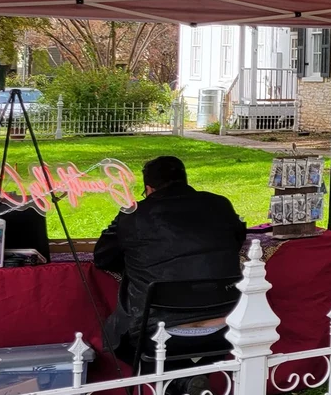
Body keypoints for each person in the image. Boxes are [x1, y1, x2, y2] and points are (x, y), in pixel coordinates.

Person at [93, 155, 247, 365]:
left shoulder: (133, 215)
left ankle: (177, 381)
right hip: (227, 323)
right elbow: (236, 241)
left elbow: (102, 257)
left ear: (149, 189)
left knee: (122, 339)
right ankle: (188, 379)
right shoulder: (220, 204)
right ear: (185, 181)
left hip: (156, 330)